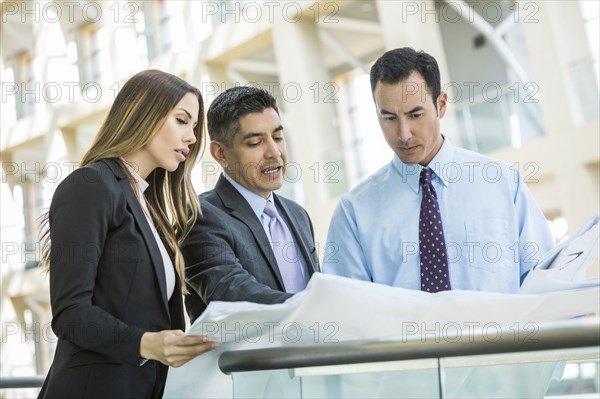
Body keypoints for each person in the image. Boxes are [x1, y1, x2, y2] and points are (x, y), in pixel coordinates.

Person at [38, 70, 218, 399]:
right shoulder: (90, 185)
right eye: (182, 120)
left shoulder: (150, 208)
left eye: (194, 127)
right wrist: (145, 343)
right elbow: (70, 315)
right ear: (143, 113)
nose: (192, 138)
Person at [323, 48, 554, 293]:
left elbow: (544, 282)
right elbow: (349, 309)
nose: (403, 134)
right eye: (389, 118)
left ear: (441, 104)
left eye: (415, 114)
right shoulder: (354, 212)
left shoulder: (503, 183)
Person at [183, 86, 319, 323]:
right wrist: (315, 309)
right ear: (221, 154)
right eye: (255, 143)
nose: (274, 152)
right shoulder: (200, 216)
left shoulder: (297, 215)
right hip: (246, 358)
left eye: (277, 137)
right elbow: (234, 294)